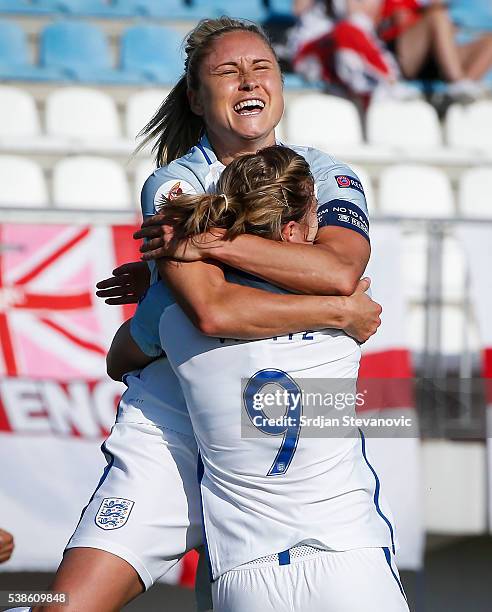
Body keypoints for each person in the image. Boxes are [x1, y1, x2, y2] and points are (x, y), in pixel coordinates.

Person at [31, 16, 383, 612]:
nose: (247, 80)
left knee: (248, 570)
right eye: (227, 71)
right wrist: (340, 311)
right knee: (66, 606)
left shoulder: (326, 172)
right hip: (173, 426)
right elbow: (214, 309)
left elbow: (339, 267)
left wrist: (209, 245)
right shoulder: (173, 182)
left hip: (258, 424)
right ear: (195, 95)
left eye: (261, 67)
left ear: (281, 83)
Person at [139, 145, 408, 611]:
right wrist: (340, 310)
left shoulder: (174, 317)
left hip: (246, 571)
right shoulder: (352, 309)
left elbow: (120, 357)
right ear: (292, 228)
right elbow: (338, 275)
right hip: (350, 556)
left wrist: (156, 289)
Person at [379, 0, 492, 101]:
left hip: (435, 58)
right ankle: (458, 83)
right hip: (400, 55)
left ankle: (465, 88)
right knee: (436, 16)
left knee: (489, 42)